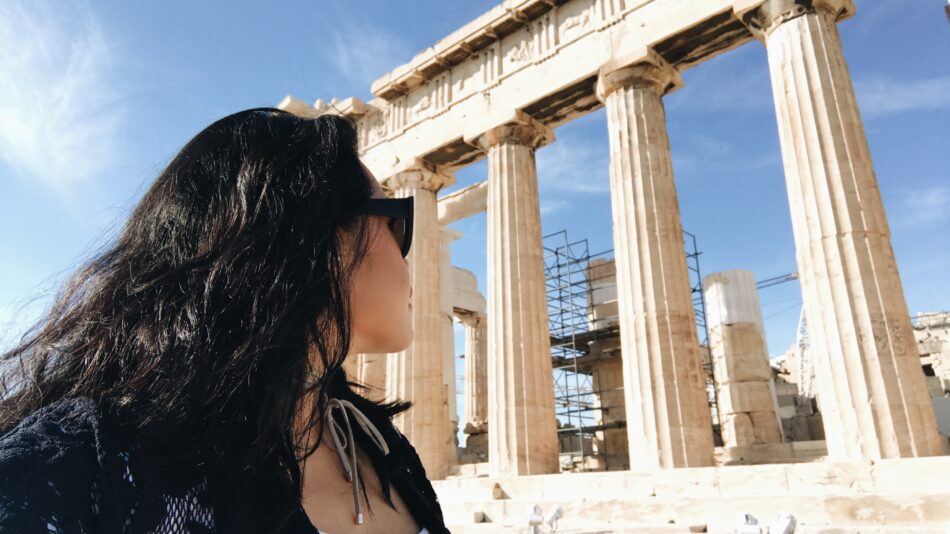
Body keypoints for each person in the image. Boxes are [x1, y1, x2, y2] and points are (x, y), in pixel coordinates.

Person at [0, 108, 449, 533]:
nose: (411, 254)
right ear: (316, 241)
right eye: (397, 223)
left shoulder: (382, 448)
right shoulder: (82, 462)